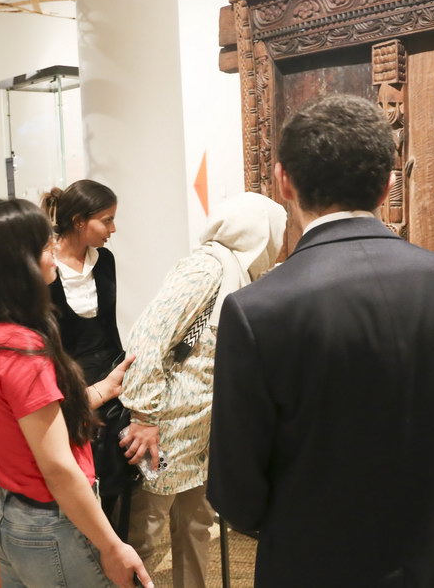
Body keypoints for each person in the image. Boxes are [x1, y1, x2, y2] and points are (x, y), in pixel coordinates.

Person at [207, 94, 434, 586]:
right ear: (388, 184)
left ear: (283, 180)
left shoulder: (257, 310)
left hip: (313, 568)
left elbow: (236, 495)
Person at [0, 198, 151, 588]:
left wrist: (103, 389)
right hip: (52, 522)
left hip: (12, 513)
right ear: (19, 263)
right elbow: (58, 467)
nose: (55, 252)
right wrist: (112, 546)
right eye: (46, 246)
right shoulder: (21, 350)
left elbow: (34, 422)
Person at [120, 191, 286, 587]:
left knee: (196, 525)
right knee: (148, 529)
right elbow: (148, 337)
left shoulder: (237, 274)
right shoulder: (205, 269)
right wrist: (143, 416)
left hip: (200, 435)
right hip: (162, 433)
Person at [40, 180, 133, 534]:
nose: (113, 229)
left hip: (112, 379)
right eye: (106, 220)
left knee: (116, 483)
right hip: (70, 384)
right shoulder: (46, 266)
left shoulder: (104, 260)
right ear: (79, 221)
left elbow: (109, 327)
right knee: (80, 483)